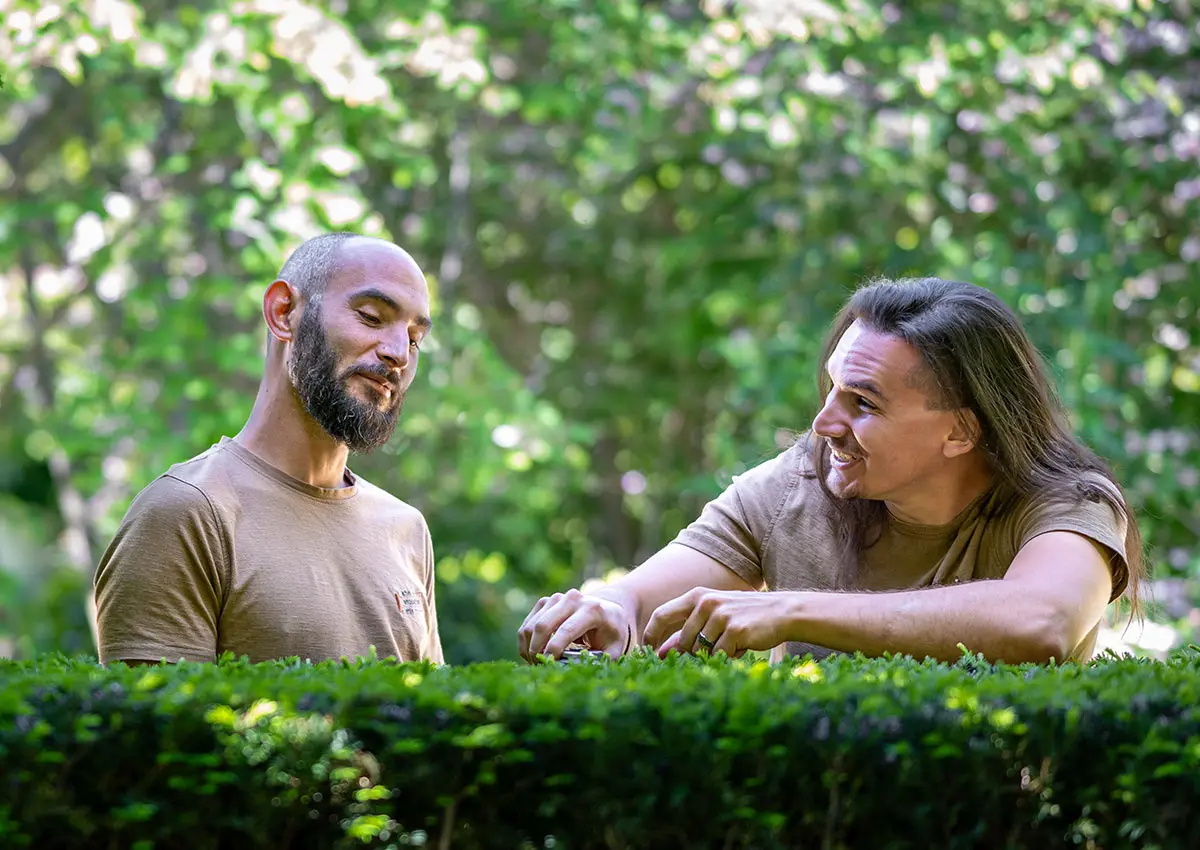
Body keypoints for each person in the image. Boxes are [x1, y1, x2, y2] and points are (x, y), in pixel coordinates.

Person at [519, 277, 1143, 665]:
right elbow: (641, 597)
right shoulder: (798, 485)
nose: (823, 424)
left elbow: (1042, 621)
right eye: (832, 389)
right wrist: (609, 608)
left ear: (961, 430)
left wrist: (791, 611)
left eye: (863, 403)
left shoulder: (1070, 504)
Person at [94, 233, 443, 664]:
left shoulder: (406, 530)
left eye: (414, 339)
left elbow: (432, 705)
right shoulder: (187, 514)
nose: (399, 354)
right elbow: (160, 709)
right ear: (283, 313)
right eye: (372, 317)